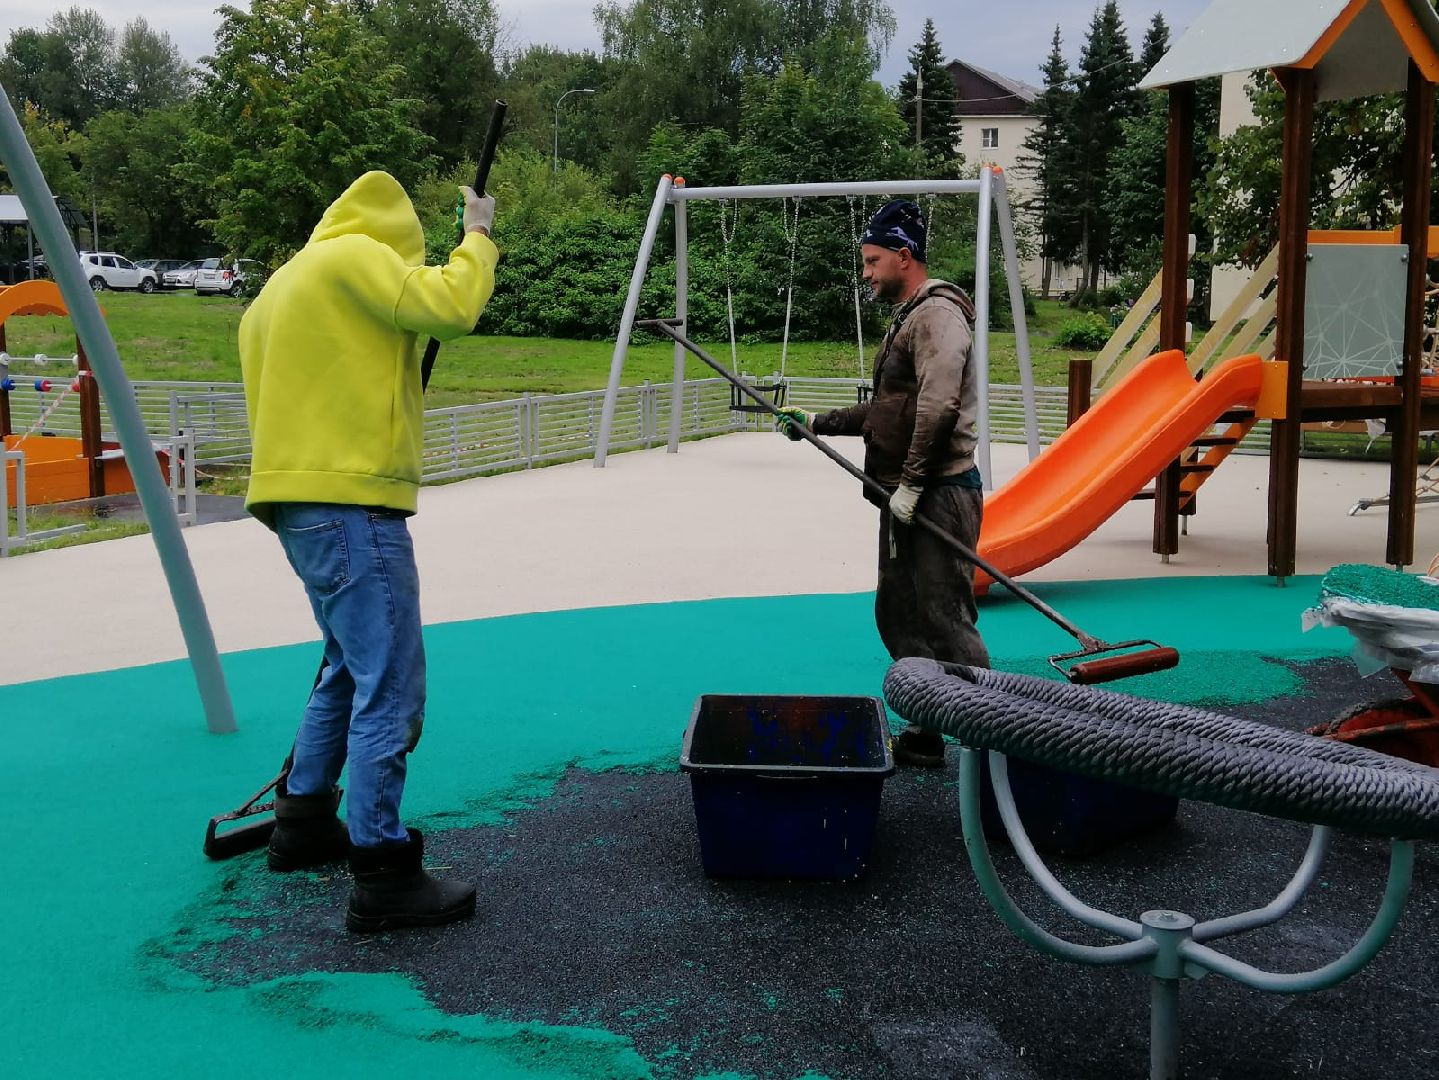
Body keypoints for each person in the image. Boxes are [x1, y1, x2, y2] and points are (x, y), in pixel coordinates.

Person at [238, 171, 498, 932]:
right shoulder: (358, 256)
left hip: (296, 502)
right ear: (397, 234)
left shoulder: (283, 284)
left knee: (346, 665)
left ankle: (305, 820)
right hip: (353, 502)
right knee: (390, 683)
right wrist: (476, 236)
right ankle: (383, 870)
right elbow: (451, 305)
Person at [776, 198, 989, 766]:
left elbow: (940, 405)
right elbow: (891, 409)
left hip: (939, 492)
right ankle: (927, 729)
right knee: (898, 613)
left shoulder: (939, 315)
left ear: (904, 256)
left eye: (872, 262)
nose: (866, 273)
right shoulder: (910, 316)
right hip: (904, 494)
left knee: (946, 618)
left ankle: (989, 739)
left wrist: (915, 484)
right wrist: (817, 423)